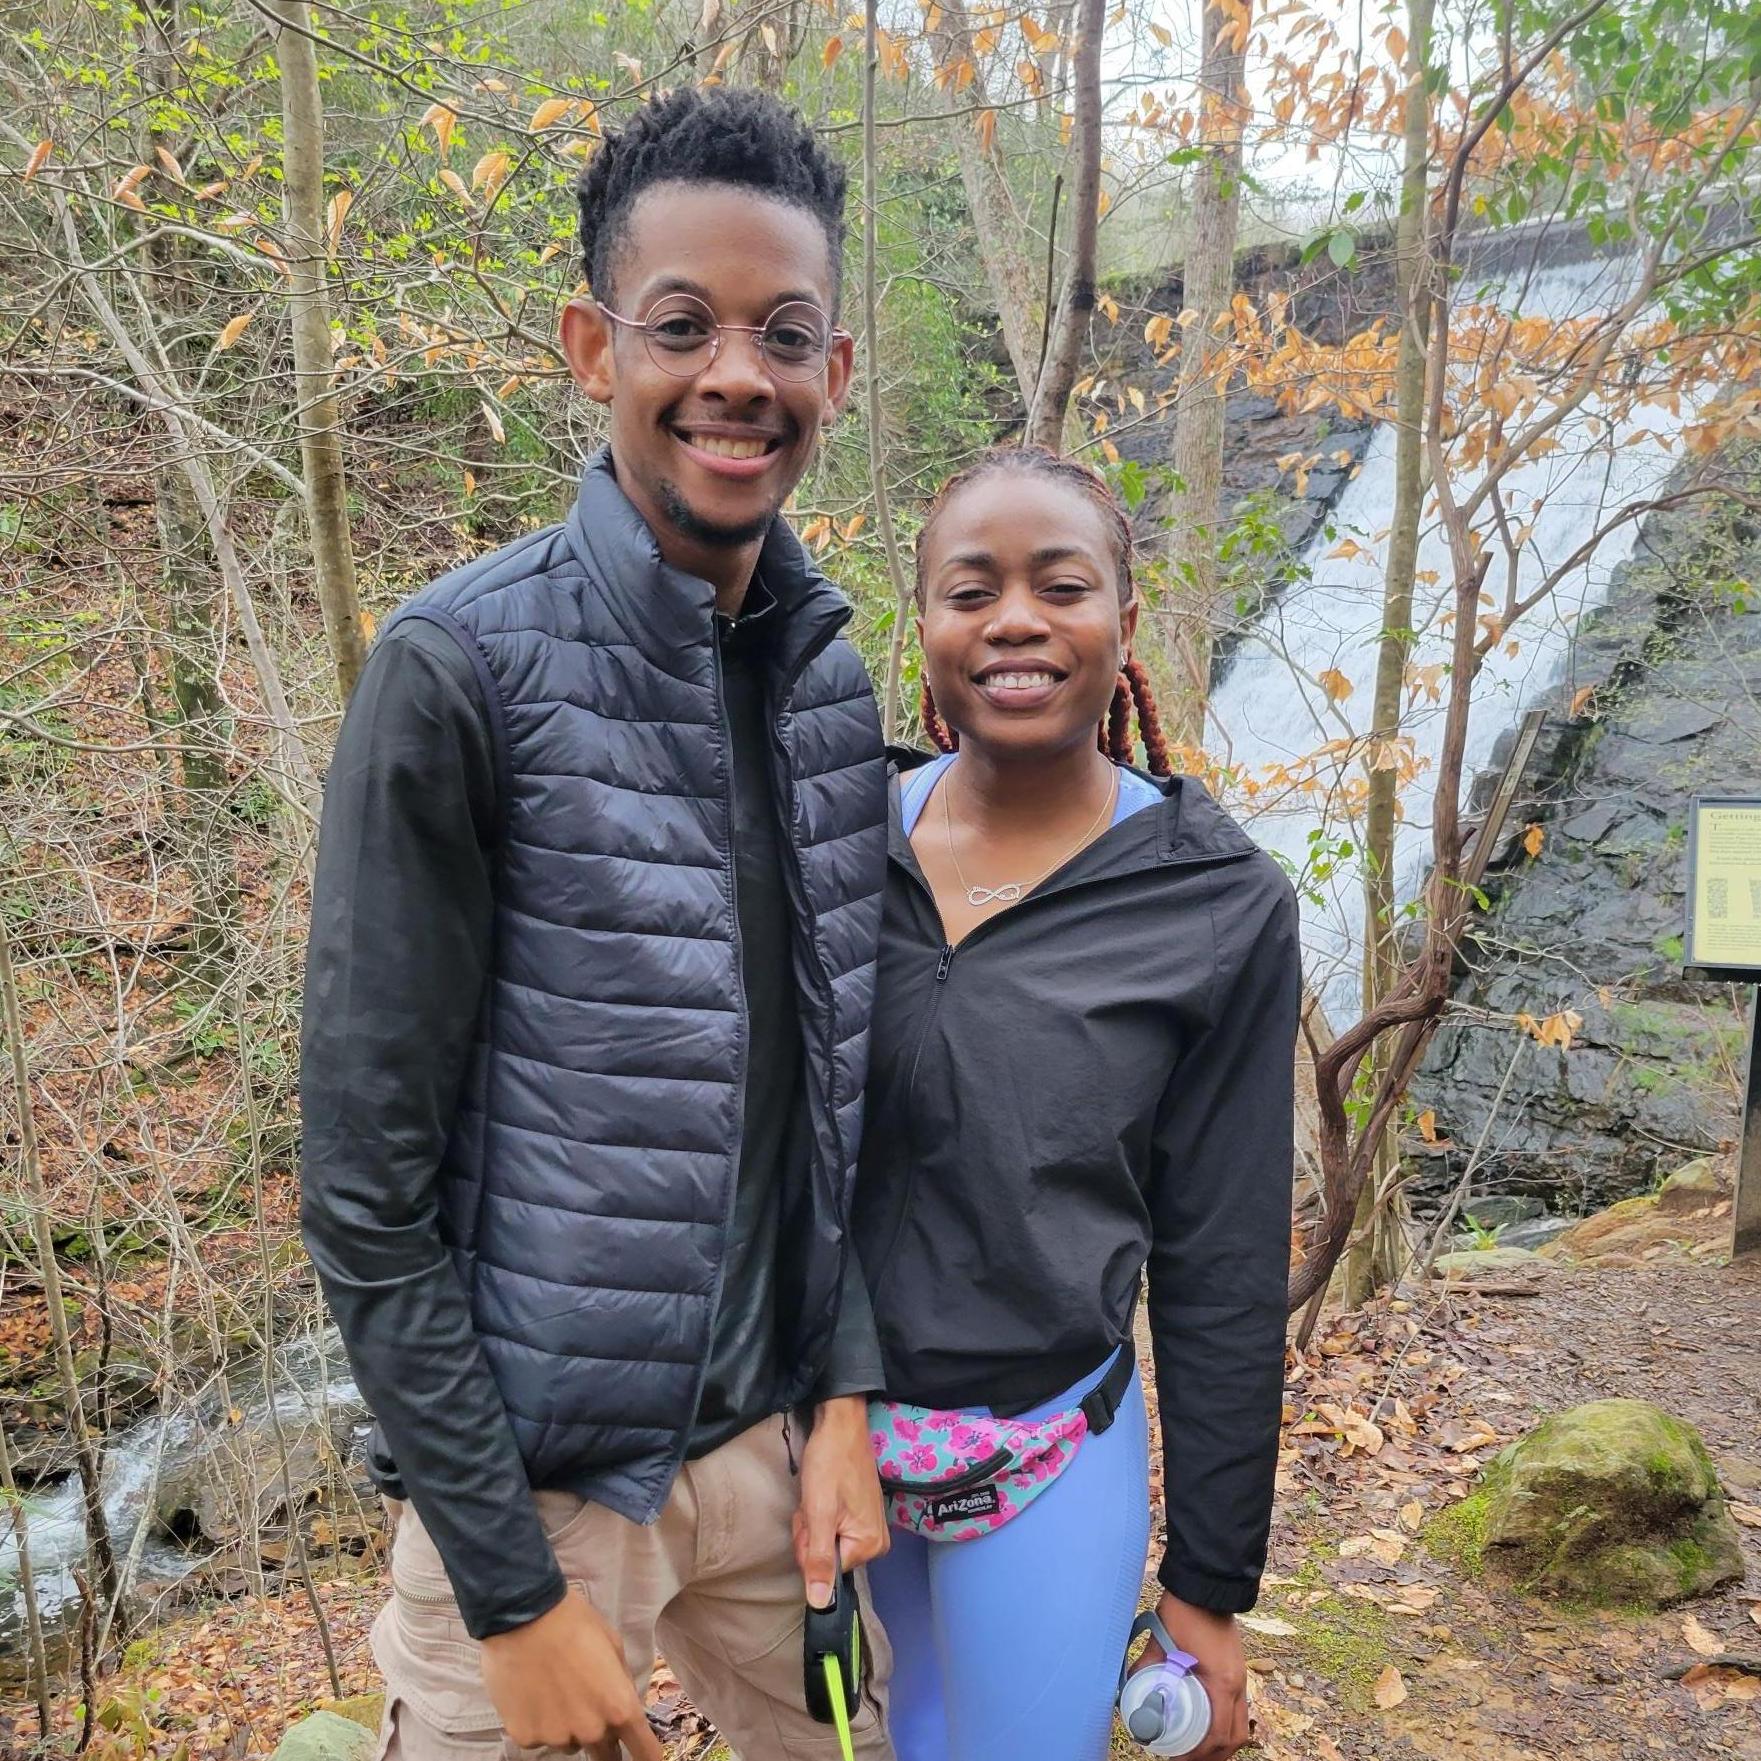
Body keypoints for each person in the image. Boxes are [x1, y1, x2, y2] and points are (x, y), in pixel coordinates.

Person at [300, 85, 897, 1761]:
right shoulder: (456, 671)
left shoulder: (829, 687)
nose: (736, 375)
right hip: (541, 1496)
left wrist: (840, 1397)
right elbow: (362, 1186)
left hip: (775, 1463)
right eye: (681, 324)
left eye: (784, 333)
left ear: (833, 373)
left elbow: (831, 1102)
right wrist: (508, 1590)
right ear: (590, 345)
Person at [853, 447, 1300, 1761]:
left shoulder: (1214, 904)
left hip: (1043, 1456)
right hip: (822, 1453)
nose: (1013, 620)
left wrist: (1211, 1583)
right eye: (968, 588)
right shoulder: (833, 841)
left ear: (1121, 622)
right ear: (923, 622)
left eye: (1060, 585)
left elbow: (1220, 1265)